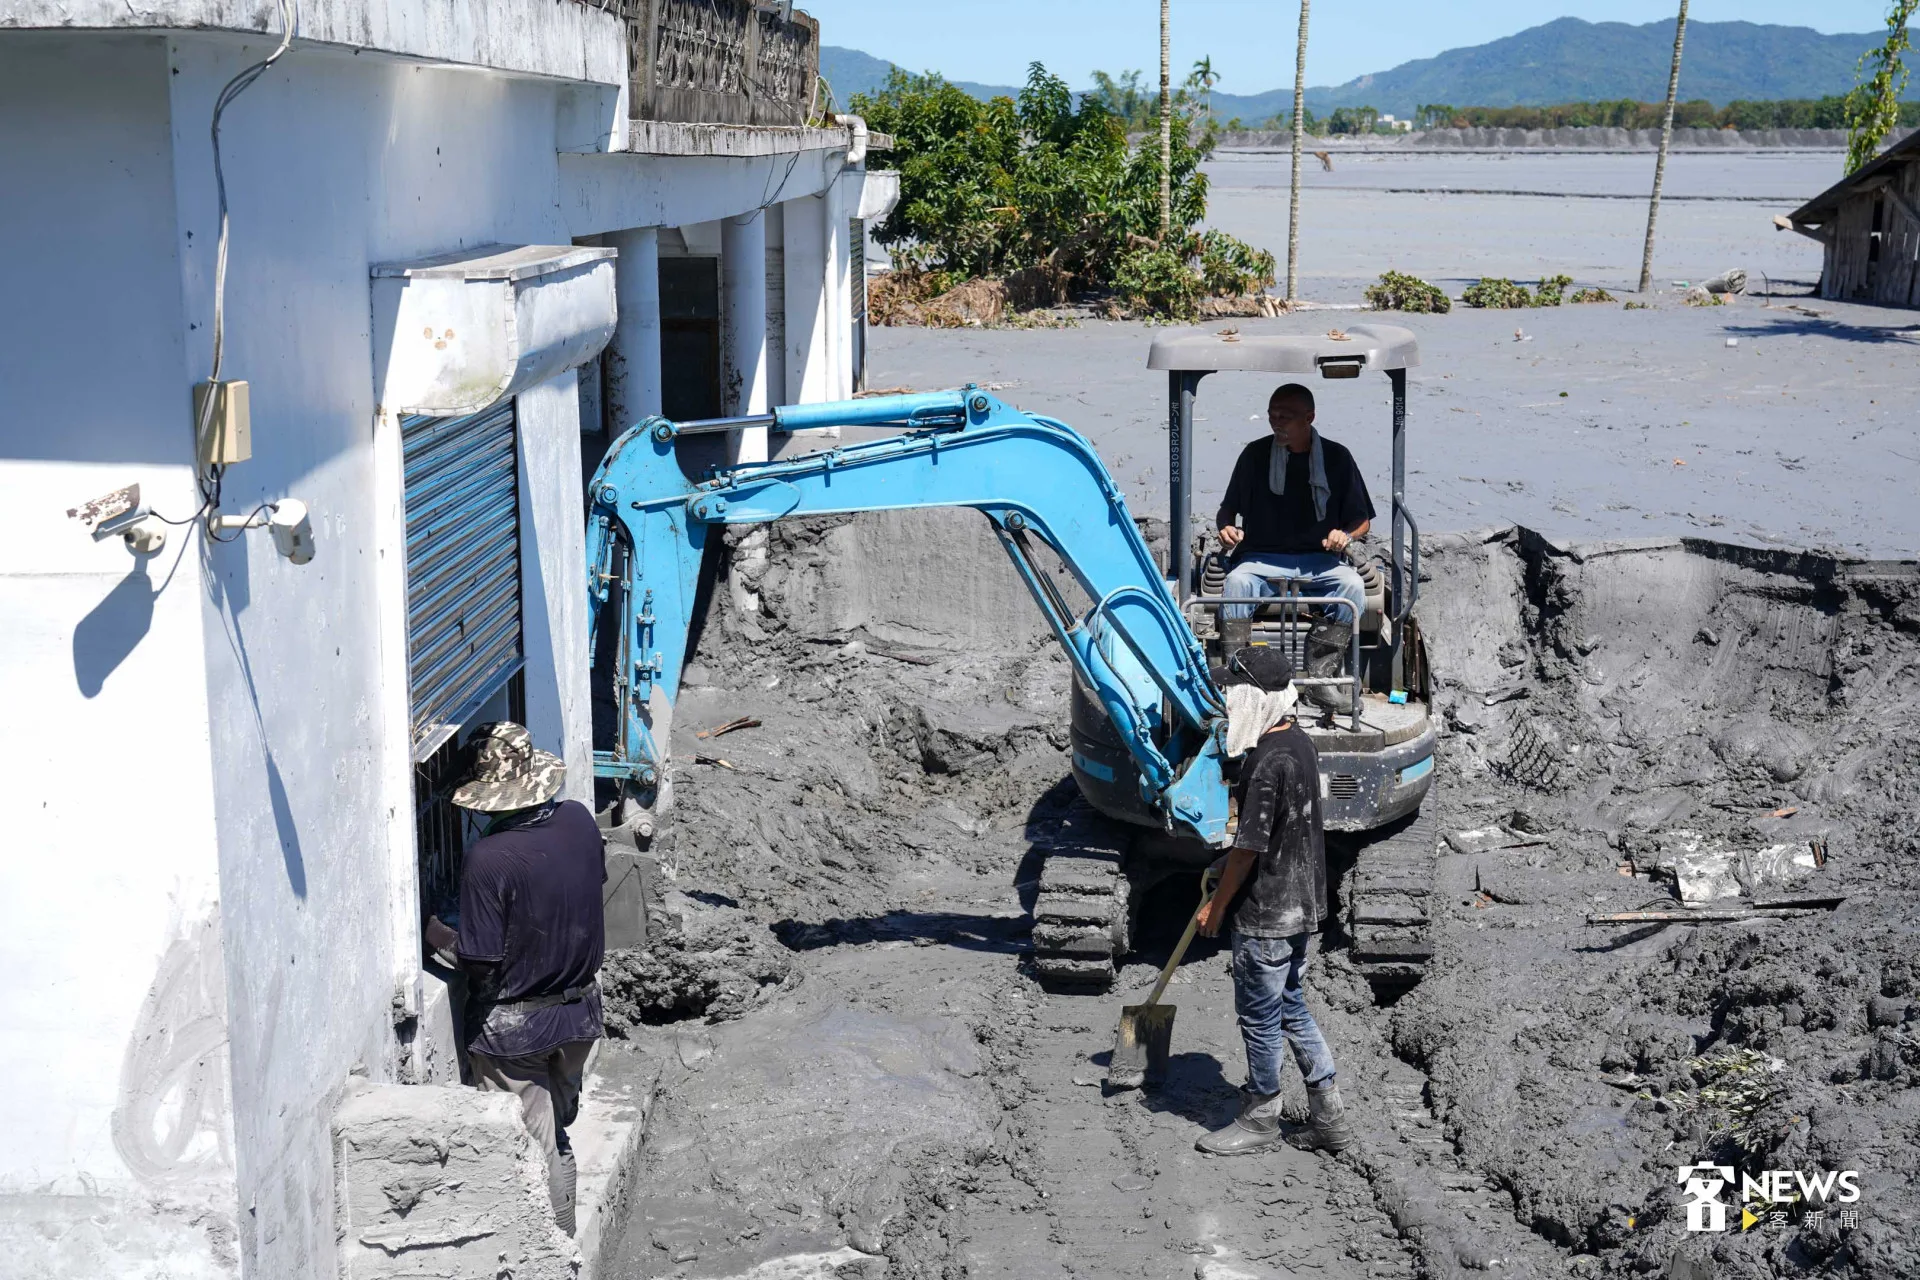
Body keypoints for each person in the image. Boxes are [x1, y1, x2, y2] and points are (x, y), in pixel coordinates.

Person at [424, 721, 605, 1234]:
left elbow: (480, 962)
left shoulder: (489, 858)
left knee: (531, 1147)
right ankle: (564, 1230)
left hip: (516, 1033)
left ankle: (554, 1250)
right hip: (581, 1015)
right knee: (556, 1131)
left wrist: (437, 934)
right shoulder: (578, 820)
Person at [1193, 647, 1356, 1157]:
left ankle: (1261, 1115)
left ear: (1253, 698)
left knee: (1260, 1017)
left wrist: (1215, 906)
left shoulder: (1265, 762)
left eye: (1232, 693)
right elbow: (1282, 829)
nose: (1226, 702)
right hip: (1303, 905)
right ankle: (1329, 1118)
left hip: (1267, 912)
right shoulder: (1300, 744)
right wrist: (1229, 863)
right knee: (1291, 1008)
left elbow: (1250, 846)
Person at [1215, 383, 1374, 628]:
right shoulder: (1254, 454)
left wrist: (1344, 536)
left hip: (1321, 561)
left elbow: (1362, 522)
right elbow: (1227, 508)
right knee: (1237, 582)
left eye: (1284, 418)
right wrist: (1226, 528)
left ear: (1309, 418)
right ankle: (1237, 661)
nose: (1275, 423)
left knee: (1352, 585)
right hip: (1259, 560)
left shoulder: (1338, 457)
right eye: (1271, 416)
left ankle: (1325, 663)